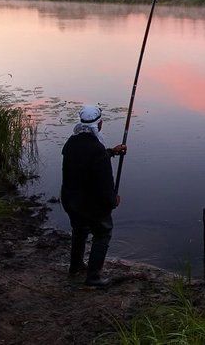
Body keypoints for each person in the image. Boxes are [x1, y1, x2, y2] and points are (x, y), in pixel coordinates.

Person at [61, 104, 126, 287]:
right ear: (100, 124)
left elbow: (85, 160)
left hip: (70, 201)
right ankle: (93, 277)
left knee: (79, 230)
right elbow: (105, 185)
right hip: (90, 204)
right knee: (103, 232)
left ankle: (75, 267)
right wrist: (113, 200)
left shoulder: (71, 143)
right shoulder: (96, 150)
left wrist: (112, 152)